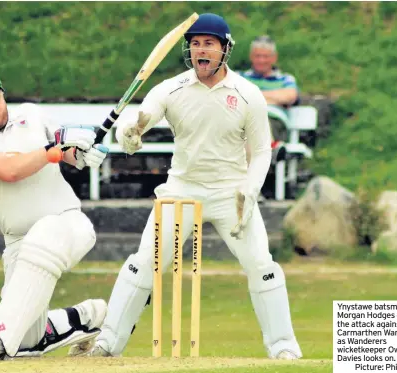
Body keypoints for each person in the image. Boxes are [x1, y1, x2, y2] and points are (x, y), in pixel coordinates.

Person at [74, 13, 302, 359]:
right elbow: (137, 125)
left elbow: (260, 153)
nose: (200, 50)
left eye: (208, 43)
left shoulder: (248, 94)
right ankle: (108, 343)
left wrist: (250, 191)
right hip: (181, 190)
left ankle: (283, 347)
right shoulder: (170, 89)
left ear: (225, 48)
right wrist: (130, 134)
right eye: (195, 44)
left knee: (262, 265)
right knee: (143, 262)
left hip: (232, 194)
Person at [0, 69, 109, 360]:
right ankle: (88, 317)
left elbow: (67, 151)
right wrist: (55, 149)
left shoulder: (31, 115)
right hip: (18, 242)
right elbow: (11, 170)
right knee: (25, 343)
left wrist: (83, 154)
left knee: (45, 233)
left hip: (68, 224)